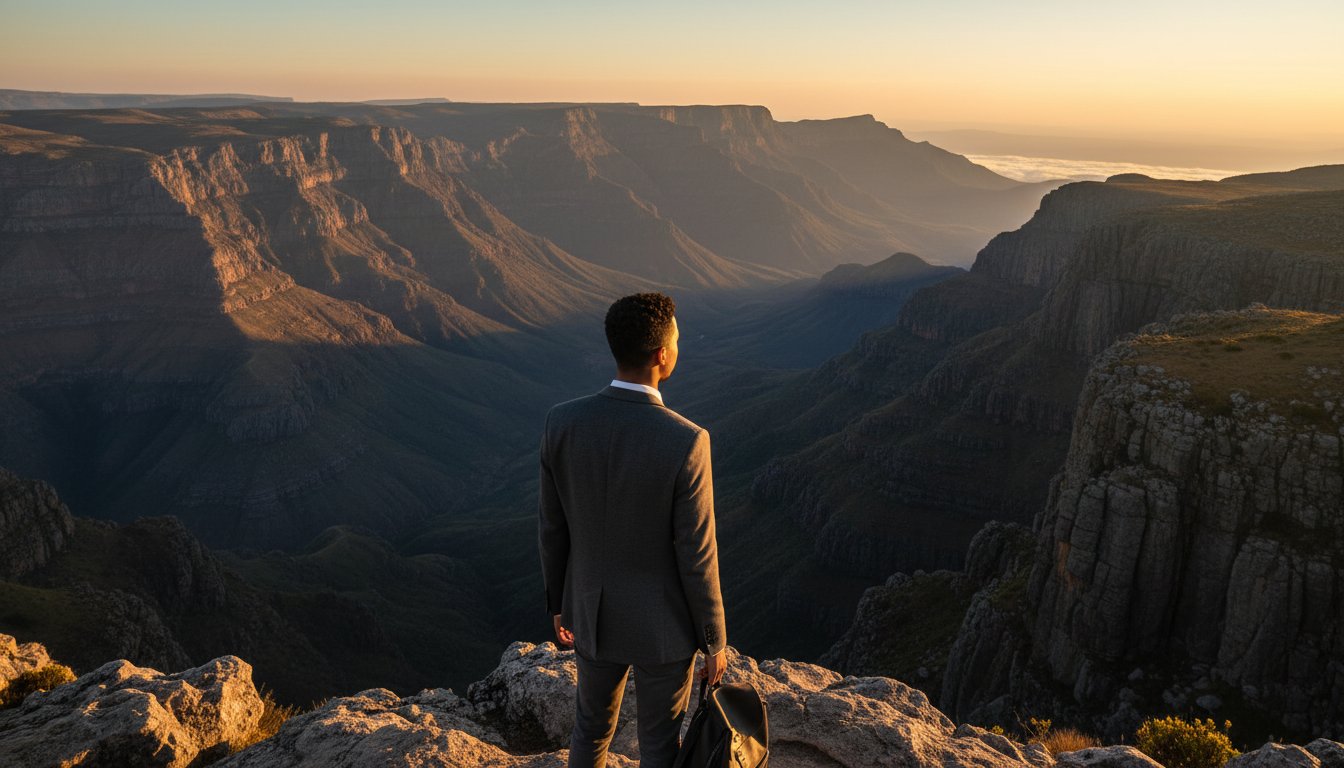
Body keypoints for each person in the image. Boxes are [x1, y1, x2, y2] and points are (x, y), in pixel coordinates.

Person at [538, 292, 728, 768]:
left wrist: (559, 603)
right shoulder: (687, 441)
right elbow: (697, 554)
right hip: (662, 630)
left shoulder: (561, 423)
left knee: (590, 730)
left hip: (591, 615)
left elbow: (552, 525)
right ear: (663, 355)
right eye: (678, 340)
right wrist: (714, 639)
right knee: (659, 746)